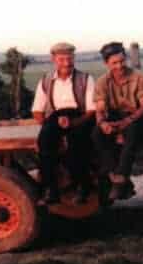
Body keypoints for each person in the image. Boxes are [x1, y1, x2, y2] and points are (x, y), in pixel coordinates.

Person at [32, 42, 96, 206]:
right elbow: (37, 111)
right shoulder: (46, 81)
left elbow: (91, 111)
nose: (67, 63)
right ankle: (51, 189)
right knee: (44, 144)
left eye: (70, 58)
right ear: (54, 59)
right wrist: (49, 128)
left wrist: (72, 124)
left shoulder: (86, 79)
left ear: (74, 58)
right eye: (62, 59)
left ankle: (83, 186)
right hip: (56, 118)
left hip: (80, 117)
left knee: (76, 146)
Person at [92, 42, 143, 201]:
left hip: (137, 116)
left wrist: (128, 120)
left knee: (130, 134)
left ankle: (120, 178)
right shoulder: (102, 81)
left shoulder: (139, 76)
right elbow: (100, 109)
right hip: (115, 116)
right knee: (97, 135)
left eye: (122, 61)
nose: (120, 66)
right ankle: (115, 175)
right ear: (106, 64)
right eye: (114, 63)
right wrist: (103, 123)